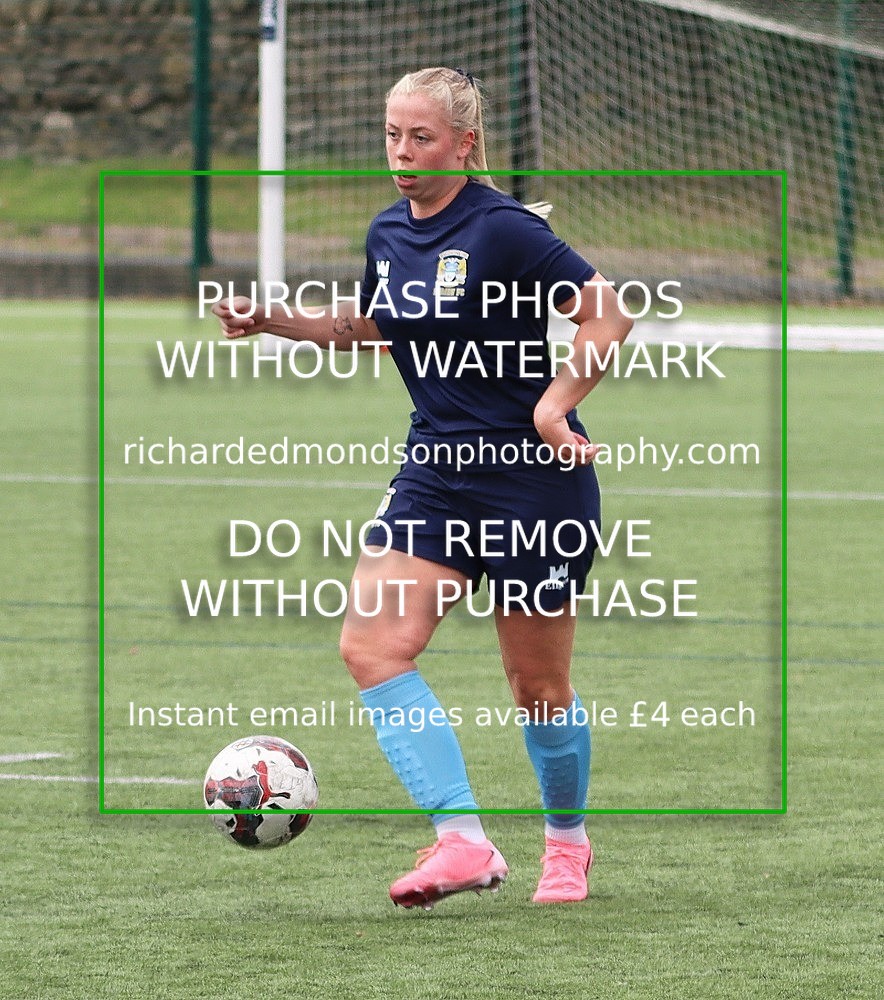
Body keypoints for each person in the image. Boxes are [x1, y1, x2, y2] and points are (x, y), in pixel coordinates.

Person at [214, 66, 632, 909]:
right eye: (392, 136)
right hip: (437, 475)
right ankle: (462, 842)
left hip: (533, 483)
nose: (402, 154)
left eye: (422, 138)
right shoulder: (388, 231)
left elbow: (609, 313)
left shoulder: (505, 229)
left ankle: (566, 845)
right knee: (371, 646)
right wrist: (274, 319)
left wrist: (554, 406)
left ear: (465, 144)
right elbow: (377, 325)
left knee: (538, 690)